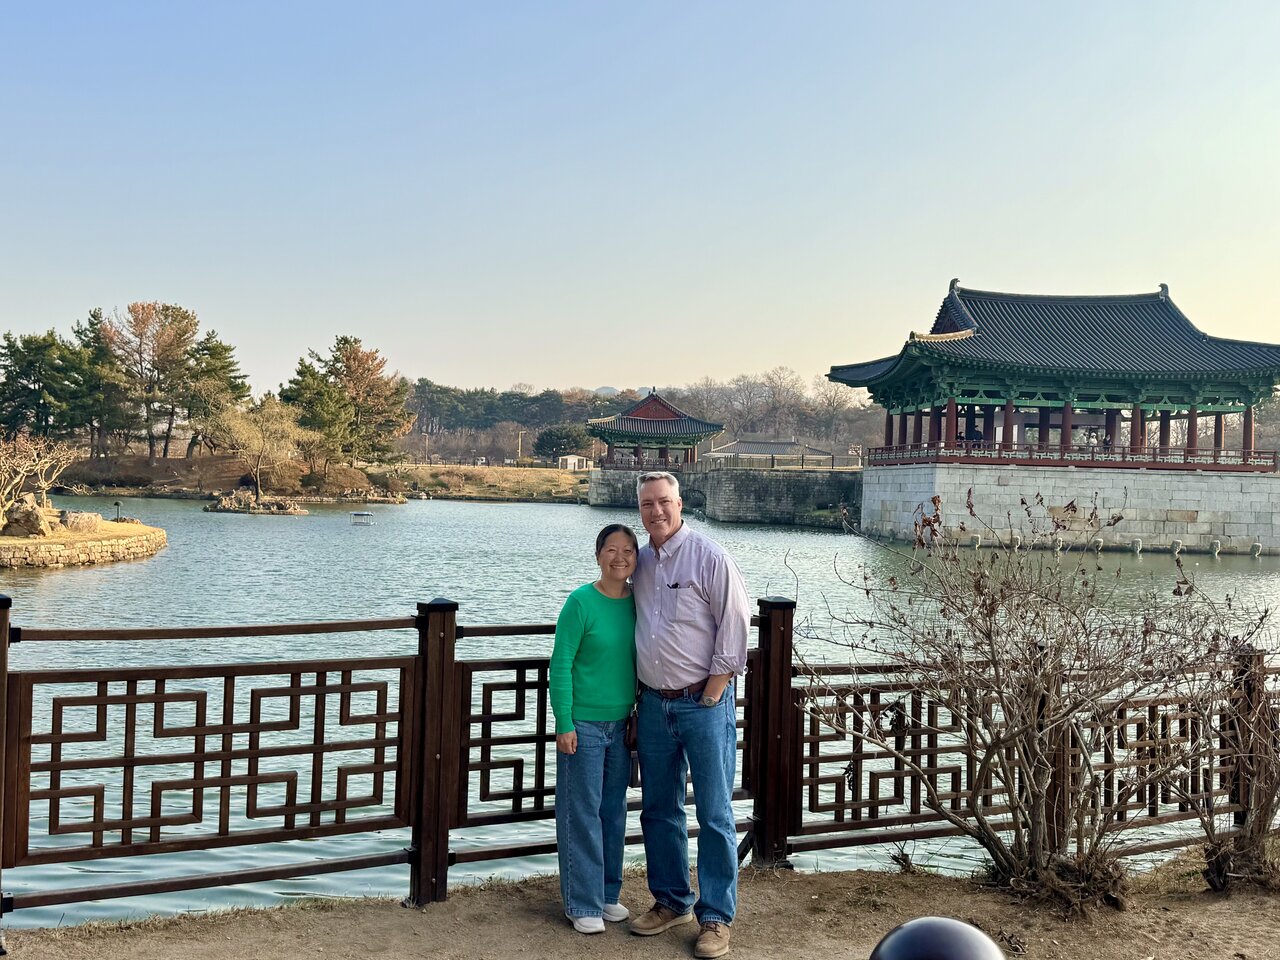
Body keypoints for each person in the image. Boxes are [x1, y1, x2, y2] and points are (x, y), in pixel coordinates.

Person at [629, 471, 750, 959]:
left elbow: (735, 623)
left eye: (663, 501)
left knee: (715, 812)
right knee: (659, 808)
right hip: (653, 703)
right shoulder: (639, 562)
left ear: (680, 504)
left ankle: (716, 916)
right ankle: (671, 900)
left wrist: (714, 691)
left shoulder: (709, 556)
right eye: (646, 504)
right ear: (639, 510)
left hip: (703, 702)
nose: (655, 511)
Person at [549, 523, 640, 934]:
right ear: (598, 555)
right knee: (581, 812)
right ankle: (581, 902)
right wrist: (564, 722)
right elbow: (560, 665)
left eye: (628, 550)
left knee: (612, 812)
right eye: (611, 549)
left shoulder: (639, 602)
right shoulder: (580, 602)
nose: (620, 557)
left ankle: (606, 895)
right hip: (583, 725)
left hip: (622, 725)